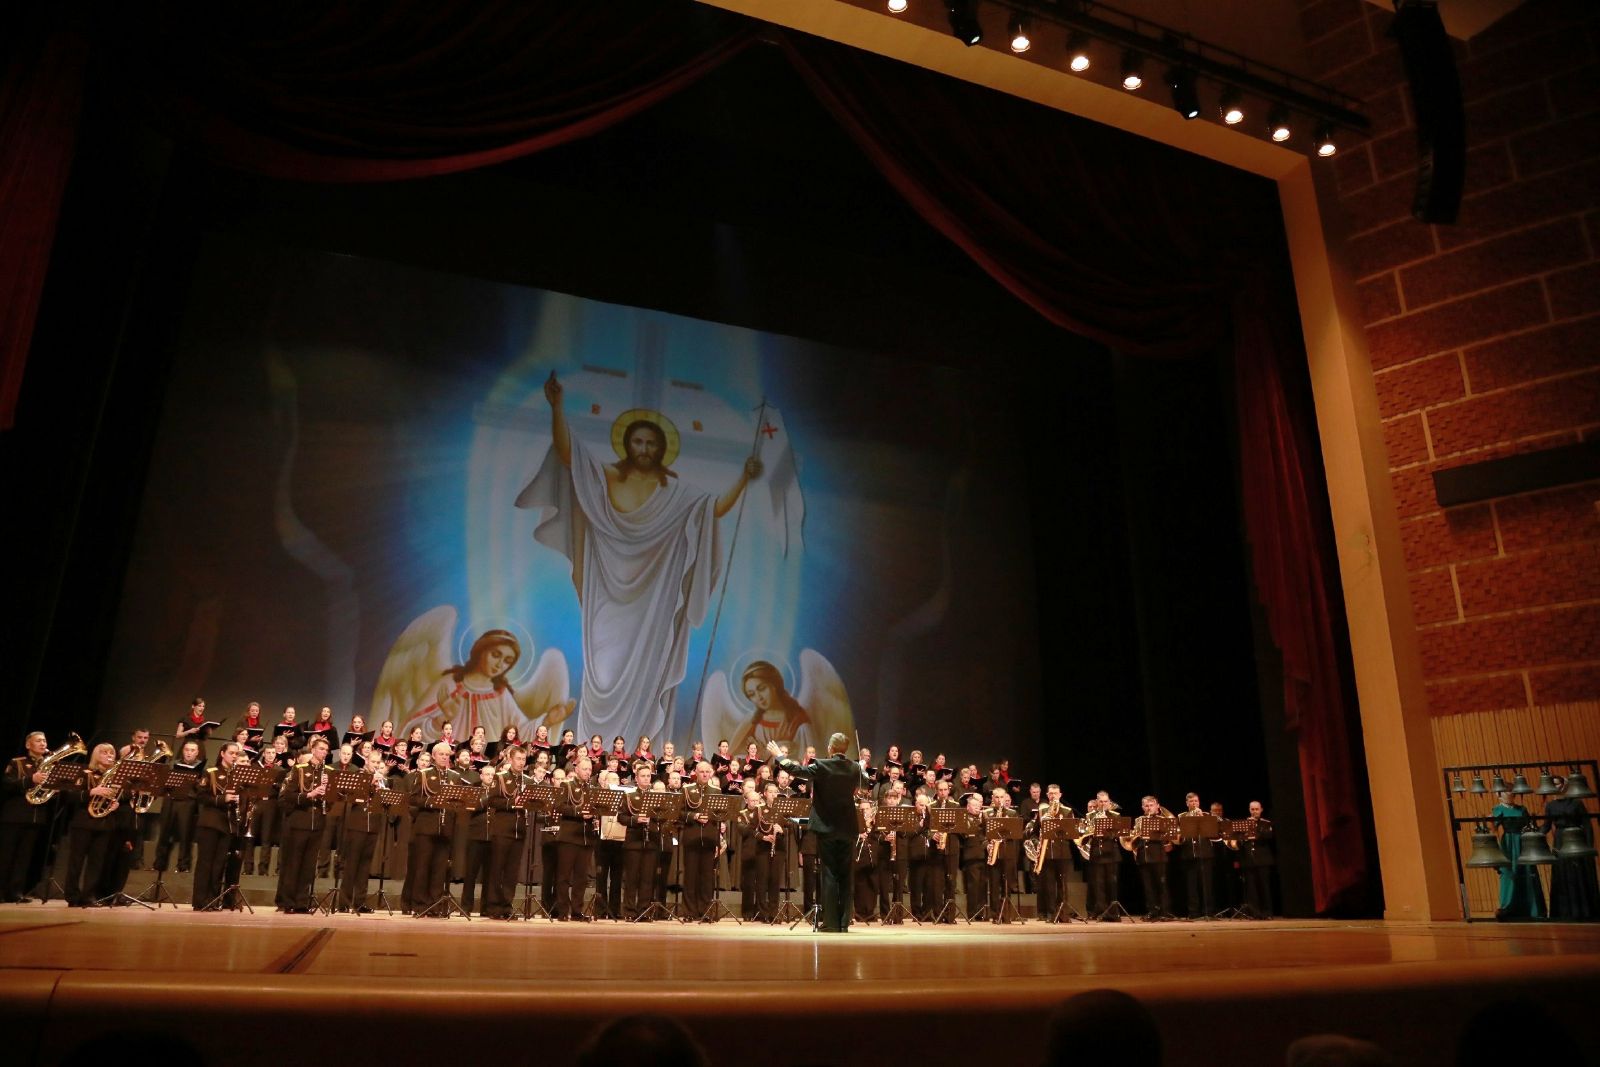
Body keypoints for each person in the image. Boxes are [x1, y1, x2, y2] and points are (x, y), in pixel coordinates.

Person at [516, 373, 762, 743]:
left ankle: (637, 751)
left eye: (650, 443)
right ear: (627, 444)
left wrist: (743, 478)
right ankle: (591, 749)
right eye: (638, 441)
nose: (644, 448)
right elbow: (569, 455)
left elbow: (715, 509)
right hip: (606, 594)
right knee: (603, 673)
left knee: (648, 673)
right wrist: (557, 407)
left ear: (661, 449)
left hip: (652, 603)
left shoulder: (676, 493)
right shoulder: (606, 477)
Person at [769, 733, 870, 932]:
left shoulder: (822, 765)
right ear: (846, 749)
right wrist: (863, 769)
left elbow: (797, 770)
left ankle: (831, 922)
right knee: (846, 876)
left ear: (830, 748)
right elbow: (866, 785)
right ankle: (844, 922)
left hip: (826, 827)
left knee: (829, 874)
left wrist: (779, 755)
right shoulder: (854, 767)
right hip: (848, 828)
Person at [276, 736, 331, 913]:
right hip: (299, 821)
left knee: (308, 866)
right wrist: (309, 795)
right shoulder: (299, 769)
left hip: (317, 823)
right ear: (313, 750)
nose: (324, 752)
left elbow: (332, 800)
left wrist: (328, 792)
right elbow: (287, 796)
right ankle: (288, 902)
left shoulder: (328, 772)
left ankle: (301, 902)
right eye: (321, 749)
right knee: (294, 863)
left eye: (326, 750)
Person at [0, 731, 54, 903]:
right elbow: (6, 784)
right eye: (38, 741)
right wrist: (31, 779)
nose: (43, 743)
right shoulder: (17, 762)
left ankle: (15, 892)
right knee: (6, 856)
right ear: (28, 745)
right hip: (15, 816)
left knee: (24, 858)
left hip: (36, 817)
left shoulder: (49, 765)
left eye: (44, 740)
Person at [1544, 775, 1600, 920]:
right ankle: (1565, 913)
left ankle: (1584, 911)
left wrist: (1589, 847)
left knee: (1578, 874)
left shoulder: (1576, 803)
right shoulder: (1550, 806)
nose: (1555, 787)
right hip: (1560, 841)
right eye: (1553, 784)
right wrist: (1530, 832)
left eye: (1557, 784)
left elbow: (1587, 825)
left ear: (1564, 785)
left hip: (1577, 839)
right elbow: (1546, 827)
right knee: (1563, 875)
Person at [1489, 790, 1544, 919]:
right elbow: (1493, 828)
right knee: (1509, 873)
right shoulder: (1498, 809)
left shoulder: (1522, 809)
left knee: (1527, 872)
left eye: (1510, 792)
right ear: (1500, 795)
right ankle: (1507, 909)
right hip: (1509, 844)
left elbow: (1531, 826)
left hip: (1523, 842)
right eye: (1505, 792)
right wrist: (1490, 821)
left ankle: (1532, 910)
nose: (1509, 794)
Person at [1176, 791, 1217, 919]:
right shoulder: (1181, 816)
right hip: (1189, 854)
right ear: (1187, 803)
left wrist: (1202, 818)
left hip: (1205, 853)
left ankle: (1208, 911)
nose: (1194, 803)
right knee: (1191, 885)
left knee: (1207, 884)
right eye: (1191, 801)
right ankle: (1193, 912)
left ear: (1199, 802)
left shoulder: (1206, 815)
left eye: (1196, 801)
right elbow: (1177, 835)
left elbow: (1214, 833)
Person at [1238, 799, 1277, 920]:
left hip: (1263, 860)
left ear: (1261, 810)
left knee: (1264, 887)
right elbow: (1239, 840)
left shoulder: (1266, 823)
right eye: (1252, 809)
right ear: (1249, 810)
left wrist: (1254, 827)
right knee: (1251, 889)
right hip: (1248, 860)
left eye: (1257, 809)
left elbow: (1268, 836)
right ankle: (1255, 913)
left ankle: (1267, 912)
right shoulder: (1243, 824)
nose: (1254, 811)